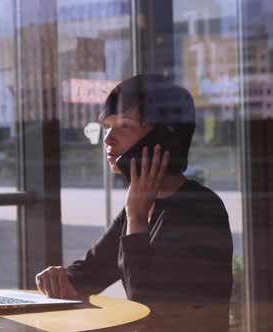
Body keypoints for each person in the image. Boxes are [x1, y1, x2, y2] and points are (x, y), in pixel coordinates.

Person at [36, 74, 233, 330]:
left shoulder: (199, 208)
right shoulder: (145, 203)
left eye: (125, 126)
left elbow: (149, 310)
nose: (108, 139)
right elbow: (92, 272)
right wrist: (61, 278)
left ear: (163, 136)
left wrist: (137, 218)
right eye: (107, 126)